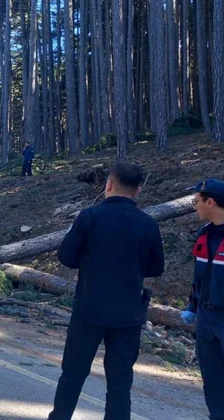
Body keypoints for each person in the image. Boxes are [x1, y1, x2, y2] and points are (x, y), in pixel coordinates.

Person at [47, 162, 165, 420]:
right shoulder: (148, 224)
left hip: (90, 308)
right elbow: (157, 267)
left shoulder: (89, 217)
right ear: (139, 191)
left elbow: (66, 257)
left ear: (108, 185)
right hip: (128, 314)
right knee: (120, 383)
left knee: (73, 373)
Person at [179, 179, 224, 420]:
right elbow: (200, 279)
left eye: (197, 202)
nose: (195, 207)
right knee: (214, 385)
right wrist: (193, 308)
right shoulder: (204, 235)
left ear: (210, 202)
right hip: (206, 319)